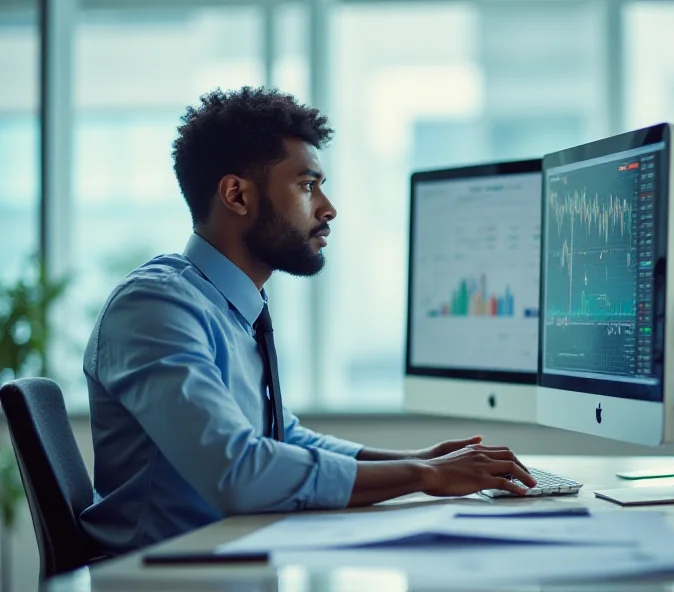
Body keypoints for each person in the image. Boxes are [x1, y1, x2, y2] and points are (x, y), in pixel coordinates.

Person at [80, 87, 536, 556]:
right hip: (160, 579)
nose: (327, 207)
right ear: (237, 195)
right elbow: (237, 472)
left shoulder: (229, 303)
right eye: (306, 185)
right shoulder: (156, 308)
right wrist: (425, 477)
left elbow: (280, 437)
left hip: (231, 562)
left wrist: (417, 459)